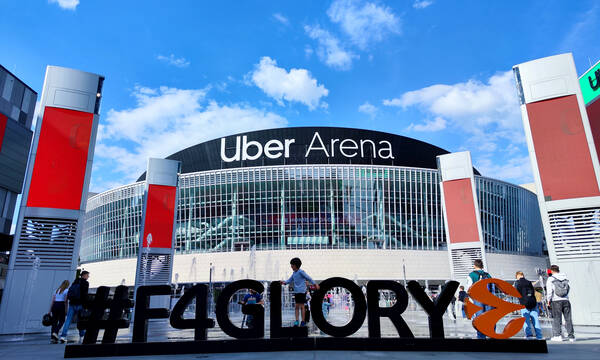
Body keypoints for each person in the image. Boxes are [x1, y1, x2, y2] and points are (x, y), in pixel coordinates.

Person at [281, 257, 319, 327]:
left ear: (296, 265)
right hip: (296, 292)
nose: (291, 266)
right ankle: (296, 320)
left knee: (301, 306)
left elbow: (308, 278)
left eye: (292, 265)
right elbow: (289, 280)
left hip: (302, 292)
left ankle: (303, 321)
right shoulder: (294, 273)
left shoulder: (301, 272)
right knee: (296, 306)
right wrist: (284, 282)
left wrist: (315, 284)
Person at [546, 265, 575, 342]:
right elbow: (568, 288)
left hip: (556, 301)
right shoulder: (565, 277)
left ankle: (558, 336)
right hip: (566, 300)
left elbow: (549, 292)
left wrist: (548, 300)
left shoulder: (551, 279)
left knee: (557, 318)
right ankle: (571, 336)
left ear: (552, 271)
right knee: (568, 319)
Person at [60, 271, 90, 343]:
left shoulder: (75, 281)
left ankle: (63, 336)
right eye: (87, 275)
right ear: (84, 275)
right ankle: (82, 335)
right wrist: (86, 305)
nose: (88, 277)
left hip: (72, 304)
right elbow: (85, 295)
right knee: (81, 320)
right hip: (80, 304)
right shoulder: (85, 283)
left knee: (68, 320)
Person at [466, 259, 492, 339]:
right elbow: (492, 287)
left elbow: (469, 289)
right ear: (482, 266)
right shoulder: (488, 275)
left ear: (474, 265)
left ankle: (481, 337)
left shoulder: (471, 275)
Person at [514, 271, 543, 339]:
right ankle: (539, 336)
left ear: (517, 276)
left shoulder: (517, 283)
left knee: (526, 320)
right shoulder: (529, 282)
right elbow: (532, 292)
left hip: (524, 304)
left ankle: (529, 335)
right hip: (533, 303)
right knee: (535, 320)